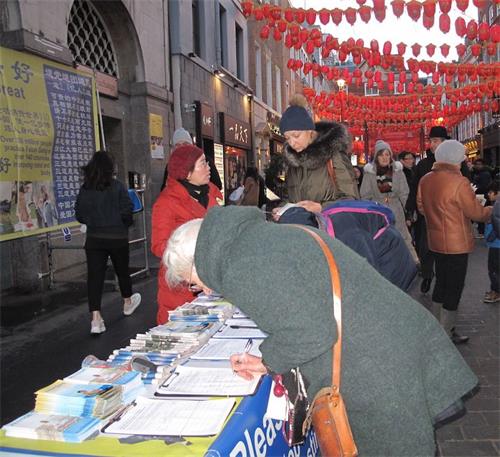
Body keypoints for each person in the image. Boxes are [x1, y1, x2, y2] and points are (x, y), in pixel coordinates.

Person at [163, 206, 477, 457]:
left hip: (376, 366)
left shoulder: (237, 267)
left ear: (200, 259)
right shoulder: (256, 239)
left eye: (193, 281)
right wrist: (267, 361)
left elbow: (310, 332)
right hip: (388, 343)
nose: (201, 291)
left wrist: (270, 358)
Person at [417, 140, 492, 344]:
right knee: (454, 286)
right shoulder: (459, 182)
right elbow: (475, 213)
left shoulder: (425, 179)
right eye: (462, 156)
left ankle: (437, 326)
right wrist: (490, 210)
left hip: (436, 240)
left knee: (441, 282)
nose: (464, 159)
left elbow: (421, 207)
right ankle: (447, 331)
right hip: (456, 242)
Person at [151, 144, 222, 324]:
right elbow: (159, 246)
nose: (209, 168)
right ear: (187, 172)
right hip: (181, 290)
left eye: (207, 162)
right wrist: (191, 253)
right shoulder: (167, 202)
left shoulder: (212, 195)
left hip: (211, 282)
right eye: (203, 164)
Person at [75, 150, 141, 334]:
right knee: (122, 271)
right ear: (110, 168)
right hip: (117, 237)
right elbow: (128, 210)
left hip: (94, 239)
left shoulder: (85, 189)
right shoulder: (118, 186)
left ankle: (96, 319)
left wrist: (93, 221)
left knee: (95, 278)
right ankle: (127, 302)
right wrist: (122, 224)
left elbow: (79, 214)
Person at [277, 94, 359, 215]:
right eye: (287, 138)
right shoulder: (293, 162)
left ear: (309, 130)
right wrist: (282, 209)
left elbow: (352, 200)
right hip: (302, 230)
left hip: (329, 230)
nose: (292, 143)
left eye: (296, 136)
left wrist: (322, 207)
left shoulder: (333, 156)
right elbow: (290, 199)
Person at [360, 140, 417, 263]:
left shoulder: (398, 171)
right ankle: (385, 263)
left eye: (387, 154)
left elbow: (404, 193)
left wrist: (409, 211)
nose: (385, 158)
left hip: (396, 208)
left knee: (403, 235)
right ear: (376, 157)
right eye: (381, 155)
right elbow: (364, 195)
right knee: (381, 238)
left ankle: (413, 261)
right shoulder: (370, 173)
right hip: (378, 210)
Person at [484, 182, 500, 303]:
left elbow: (498, 224)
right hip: (495, 243)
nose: (488, 195)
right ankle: (494, 289)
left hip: (496, 243)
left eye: (490, 192)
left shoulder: (498, 205)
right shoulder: (495, 204)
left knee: (494, 269)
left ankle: (497, 292)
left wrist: (491, 236)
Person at [471, 159, 493, 238]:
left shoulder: (485, 174)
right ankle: (481, 231)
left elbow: (484, 186)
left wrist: (474, 188)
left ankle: (481, 232)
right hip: (479, 196)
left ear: (483, 165)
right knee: (479, 213)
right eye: (476, 164)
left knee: (480, 213)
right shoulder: (476, 173)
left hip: (483, 196)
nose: (477, 166)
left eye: (479, 164)